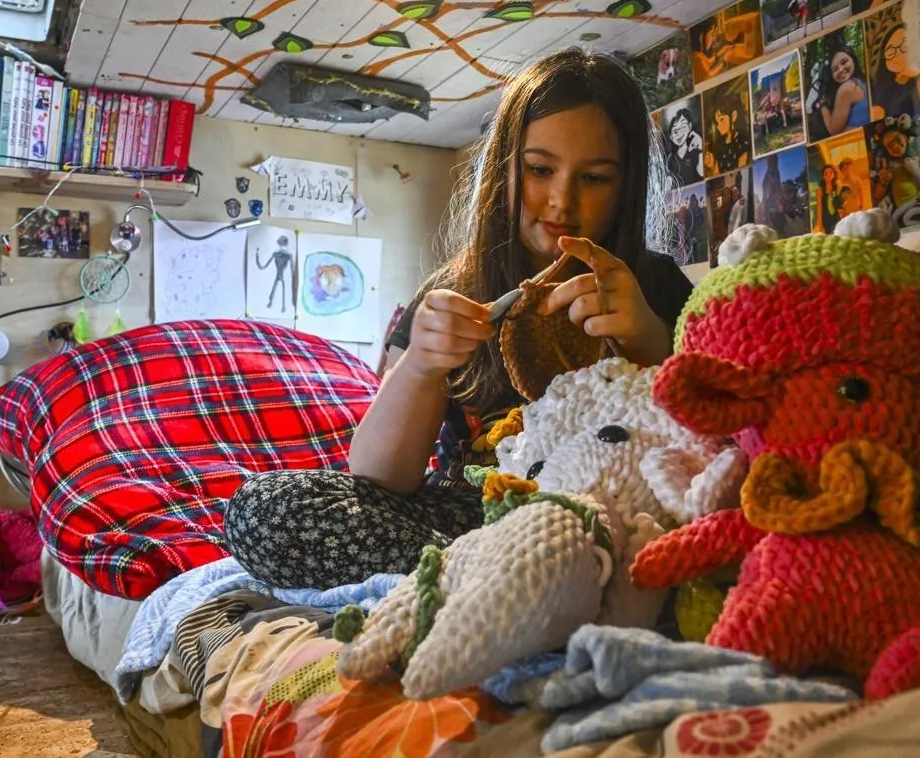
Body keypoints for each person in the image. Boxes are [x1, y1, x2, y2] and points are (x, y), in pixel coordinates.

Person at [222, 48, 694, 590]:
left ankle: (517, 580)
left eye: (595, 178)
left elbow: (720, 444)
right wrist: (422, 365)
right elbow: (377, 477)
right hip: (472, 519)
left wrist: (650, 342)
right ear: (502, 168)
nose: (561, 200)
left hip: (612, 514)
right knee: (262, 509)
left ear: (627, 185)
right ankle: (505, 577)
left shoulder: (656, 285)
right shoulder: (449, 293)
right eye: (540, 170)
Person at [813, 45, 869, 139]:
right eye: (835, 69)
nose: (841, 69)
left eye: (844, 62)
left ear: (852, 59)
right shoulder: (862, 81)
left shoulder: (846, 89)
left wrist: (822, 105)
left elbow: (834, 130)